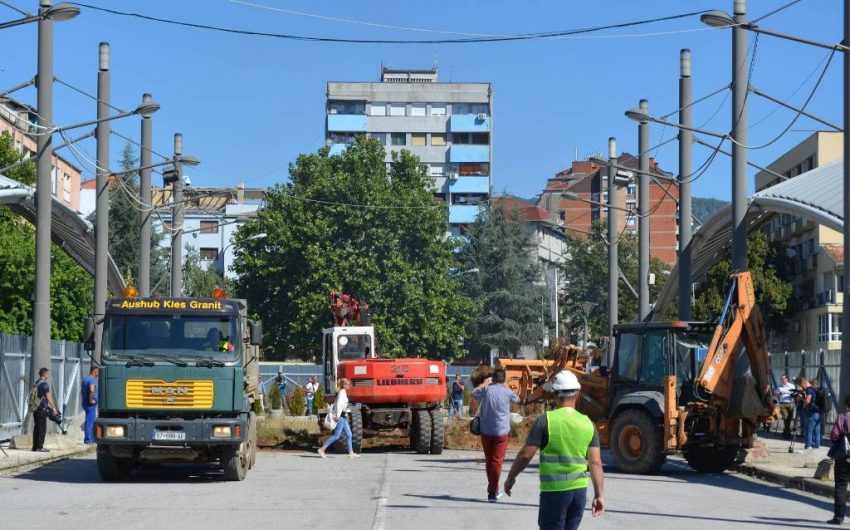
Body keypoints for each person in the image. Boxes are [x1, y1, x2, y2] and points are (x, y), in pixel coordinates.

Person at [504, 370, 604, 530]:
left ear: (555, 395)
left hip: (554, 493)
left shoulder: (545, 421)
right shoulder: (588, 424)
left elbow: (525, 455)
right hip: (579, 492)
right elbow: (596, 462)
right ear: (577, 394)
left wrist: (511, 477)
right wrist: (599, 495)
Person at [472, 368, 519, 502]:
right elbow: (518, 399)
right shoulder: (507, 392)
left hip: (486, 431)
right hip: (501, 432)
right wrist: (505, 386)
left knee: (489, 461)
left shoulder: (486, 390)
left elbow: (473, 393)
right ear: (503, 379)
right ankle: (492, 492)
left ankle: (493, 489)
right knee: (497, 462)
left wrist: (484, 383)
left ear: (492, 378)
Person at [318, 378, 359, 459]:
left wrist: (348, 410)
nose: (349, 386)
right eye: (348, 384)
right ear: (344, 385)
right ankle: (322, 449)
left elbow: (343, 405)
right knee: (336, 436)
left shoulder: (343, 393)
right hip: (340, 417)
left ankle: (351, 452)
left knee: (349, 434)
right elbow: (339, 405)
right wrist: (337, 416)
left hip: (343, 417)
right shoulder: (342, 393)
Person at [828, 393, 850, 525]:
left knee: (841, 487)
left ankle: (839, 517)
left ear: (847, 404)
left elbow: (834, 436)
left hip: (844, 458)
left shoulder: (843, 417)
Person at [31, 367, 60, 452]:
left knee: (36, 428)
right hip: (42, 409)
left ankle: (35, 446)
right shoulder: (44, 384)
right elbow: (48, 397)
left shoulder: (37, 383)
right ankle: (39, 447)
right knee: (42, 429)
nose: (48, 375)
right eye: (47, 373)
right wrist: (54, 407)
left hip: (35, 408)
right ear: (45, 374)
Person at [802, 378, 822, 451]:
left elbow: (807, 401)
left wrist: (802, 399)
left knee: (809, 430)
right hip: (818, 412)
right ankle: (817, 445)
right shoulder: (816, 389)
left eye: (802, 385)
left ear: (805, 383)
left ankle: (808, 445)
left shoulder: (809, 390)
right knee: (817, 430)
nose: (802, 387)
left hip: (812, 412)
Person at [774, 374, 796, 439]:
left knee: (789, 418)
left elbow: (795, 393)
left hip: (790, 403)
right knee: (785, 418)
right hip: (782, 403)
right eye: (781, 379)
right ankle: (787, 433)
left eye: (783, 379)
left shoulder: (791, 386)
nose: (782, 380)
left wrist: (788, 393)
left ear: (787, 379)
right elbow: (775, 393)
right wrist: (777, 393)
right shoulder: (779, 386)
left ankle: (786, 432)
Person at [81, 366, 98, 444]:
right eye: (98, 372)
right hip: (90, 404)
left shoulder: (85, 379)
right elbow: (92, 390)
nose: (98, 374)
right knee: (90, 422)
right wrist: (91, 400)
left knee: (88, 421)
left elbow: (82, 392)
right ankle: (88, 440)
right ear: (95, 371)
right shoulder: (92, 380)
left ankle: (89, 438)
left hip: (85, 403)